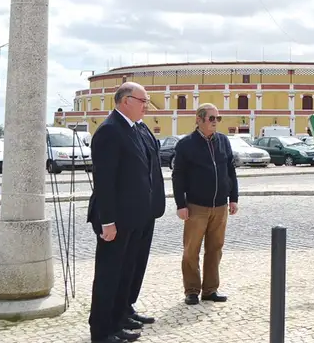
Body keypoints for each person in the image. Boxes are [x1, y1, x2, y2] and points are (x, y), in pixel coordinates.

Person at [87, 82, 156, 343]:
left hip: (134, 218)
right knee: (108, 276)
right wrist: (108, 221)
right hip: (115, 220)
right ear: (126, 100)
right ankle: (101, 332)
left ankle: (116, 323)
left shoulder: (133, 130)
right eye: (143, 100)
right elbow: (105, 181)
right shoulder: (109, 131)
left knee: (124, 274)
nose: (146, 106)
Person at [172, 103, 239, 306]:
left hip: (220, 206)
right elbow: (178, 176)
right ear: (199, 120)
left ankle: (210, 290)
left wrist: (233, 197)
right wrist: (180, 204)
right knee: (191, 250)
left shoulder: (223, 141)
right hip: (196, 207)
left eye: (217, 118)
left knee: (215, 248)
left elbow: (230, 170)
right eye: (211, 118)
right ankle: (191, 290)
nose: (215, 122)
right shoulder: (185, 145)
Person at [121, 117, 166, 332]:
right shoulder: (119, 130)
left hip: (149, 208)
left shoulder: (143, 127)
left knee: (138, 263)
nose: (146, 105)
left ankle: (128, 305)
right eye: (142, 101)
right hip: (132, 210)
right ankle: (119, 310)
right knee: (126, 263)